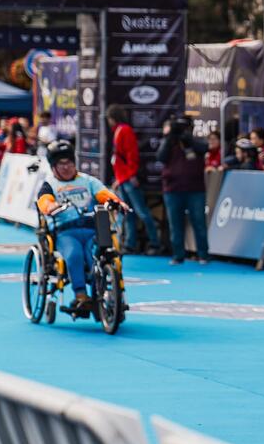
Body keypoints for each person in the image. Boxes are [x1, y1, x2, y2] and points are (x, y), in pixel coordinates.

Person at [36, 140, 128, 313]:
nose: (66, 167)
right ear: (53, 167)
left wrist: (116, 202)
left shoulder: (88, 181)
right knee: (74, 254)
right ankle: (81, 296)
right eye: (61, 164)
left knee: (97, 255)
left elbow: (104, 194)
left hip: (92, 229)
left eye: (69, 162)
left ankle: (100, 292)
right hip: (66, 232)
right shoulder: (50, 185)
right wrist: (50, 206)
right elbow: (44, 201)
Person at [107, 105, 162, 256]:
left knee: (142, 212)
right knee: (128, 213)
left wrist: (131, 175)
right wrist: (119, 179)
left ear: (113, 118)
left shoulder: (124, 130)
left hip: (129, 179)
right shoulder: (119, 131)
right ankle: (130, 244)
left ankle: (155, 243)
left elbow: (132, 154)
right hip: (123, 179)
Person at [157, 115, 209, 265]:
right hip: (173, 189)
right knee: (175, 224)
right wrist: (170, 137)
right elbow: (160, 157)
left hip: (195, 189)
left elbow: (204, 148)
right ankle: (178, 255)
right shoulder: (169, 141)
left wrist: (188, 140)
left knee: (199, 222)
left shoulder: (196, 142)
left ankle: (203, 255)